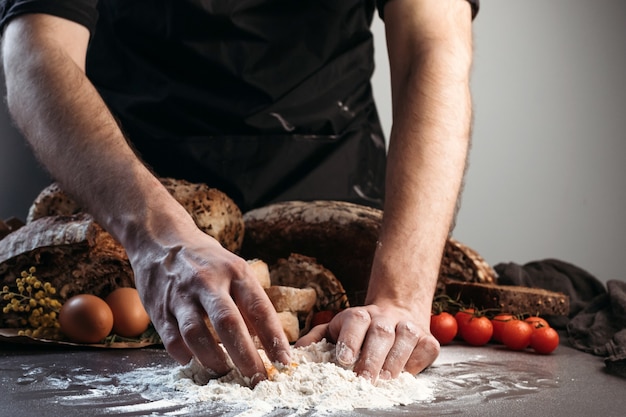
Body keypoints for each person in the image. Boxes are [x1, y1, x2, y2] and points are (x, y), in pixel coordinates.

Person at [0, 0, 477, 385]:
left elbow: (433, 45)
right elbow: (36, 48)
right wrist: (156, 234)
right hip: (135, 207)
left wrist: (399, 294)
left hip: (333, 202)